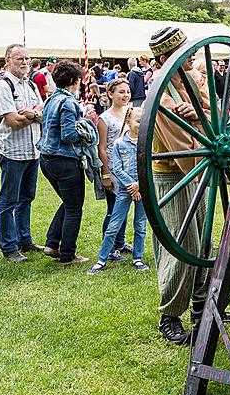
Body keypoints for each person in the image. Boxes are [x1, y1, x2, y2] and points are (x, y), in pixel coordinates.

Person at [147, 27, 215, 345]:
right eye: (183, 52)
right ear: (165, 59)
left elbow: (214, 114)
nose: (191, 55)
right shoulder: (159, 93)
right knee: (180, 246)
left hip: (196, 171)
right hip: (174, 174)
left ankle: (202, 308)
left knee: (201, 242)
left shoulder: (188, 81)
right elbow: (182, 149)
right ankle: (169, 317)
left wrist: (198, 115)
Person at [0, 44, 44, 262]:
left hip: (33, 151)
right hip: (12, 151)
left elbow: (43, 111)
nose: (24, 62)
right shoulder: (2, 87)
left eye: (27, 59)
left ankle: (24, 239)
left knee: (27, 198)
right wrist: (34, 115)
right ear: (7, 61)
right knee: (9, 200)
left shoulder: (29, 85)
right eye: (19, 58)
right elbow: (13, 121)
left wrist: (31, 113)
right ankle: (9, 247)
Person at [37, 60, 89, 265]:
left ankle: (51, 243)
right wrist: (86, 129)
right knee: (74, 207)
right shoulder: (69, 102)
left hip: (47, 158)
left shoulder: (51, 99)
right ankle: (68, 254)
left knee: (68, 203)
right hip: (65, 160)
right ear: (74, 81)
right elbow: (68, 135)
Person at [90, 107, 150, 274]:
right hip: (125, 190)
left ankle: (137, 258)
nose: (141, 124)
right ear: (128, 121)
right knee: (114, 224)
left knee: (140, 224)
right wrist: (132, 186)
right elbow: (116, 167)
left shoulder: (147, 143)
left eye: (143, 121)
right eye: (138, 121)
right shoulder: (119, 143)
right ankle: (102, 259)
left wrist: (139, 184)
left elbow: (149, 166)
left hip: (142, 189)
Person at [96, 78, 133, 261]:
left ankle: (120, 242)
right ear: (110, 94)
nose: (125, 95)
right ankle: (108, 247)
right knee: (114, 209)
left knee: (125, 207)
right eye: (121, 92)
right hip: (113, 167)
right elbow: (101, 147)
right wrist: (106, 174)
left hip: (129, 167)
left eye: (127, 91)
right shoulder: (105, 119)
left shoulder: (131, 113)